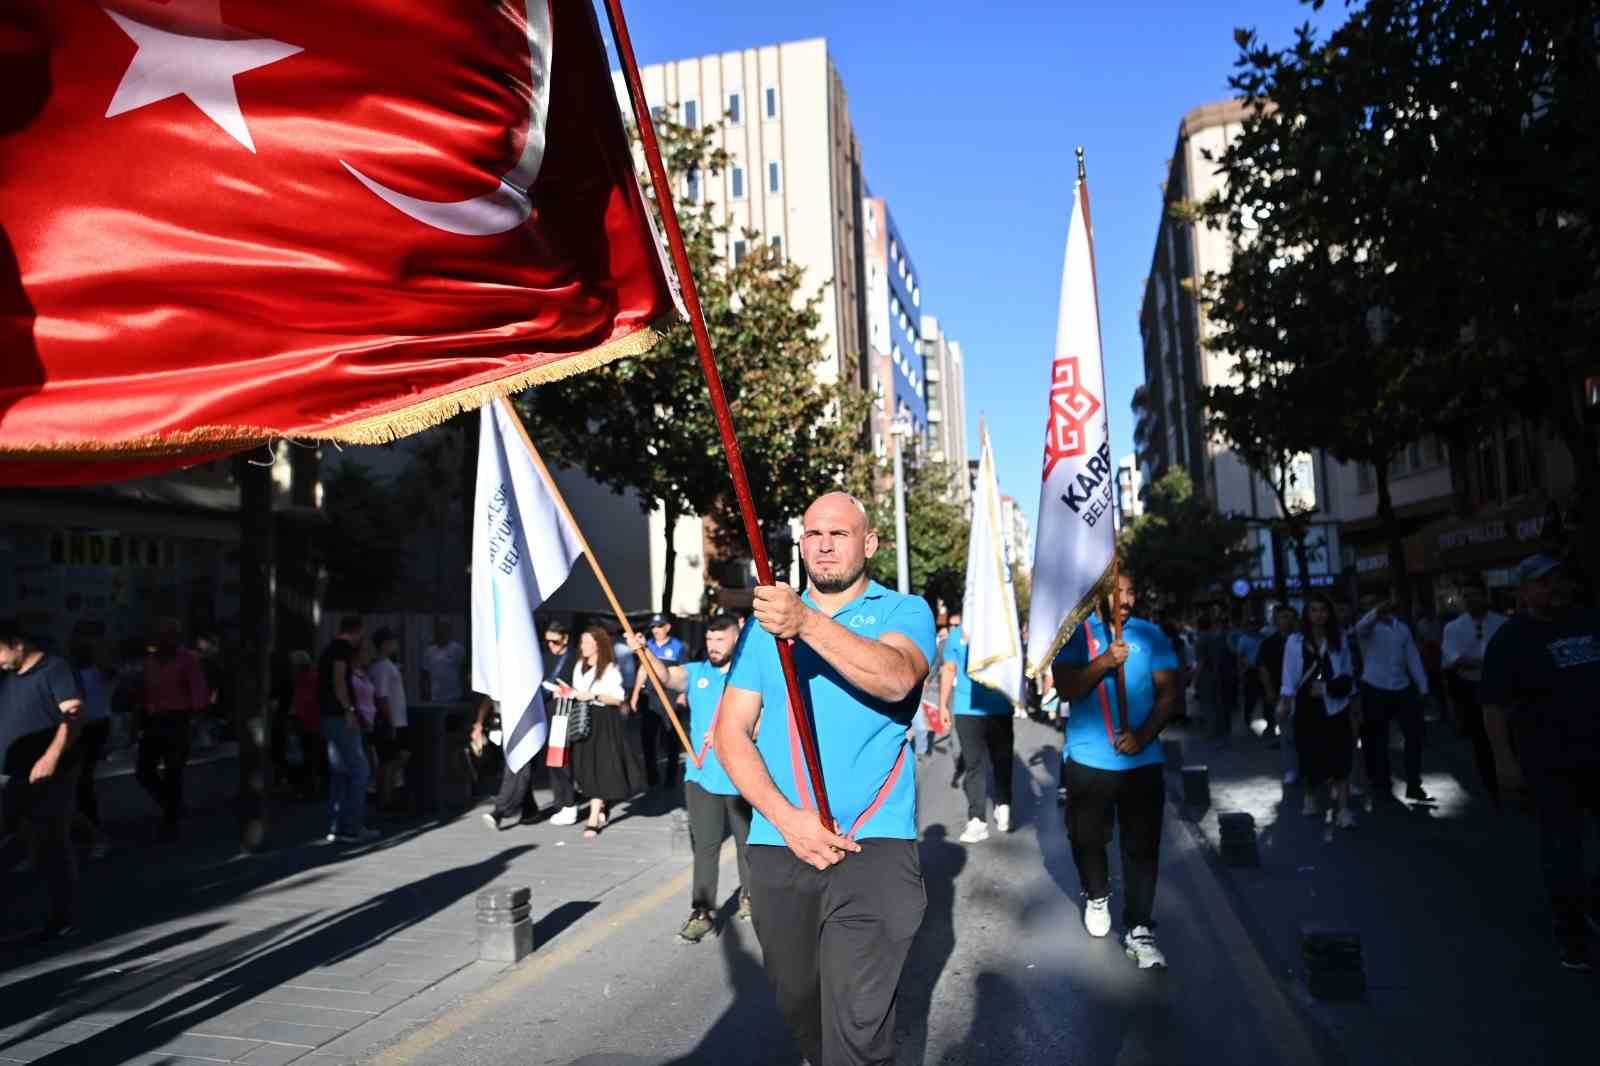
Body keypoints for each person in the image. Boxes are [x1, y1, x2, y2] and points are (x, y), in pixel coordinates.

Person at [714, 492, 935, 1066]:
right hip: (779, 842)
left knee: (859, 1026)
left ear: (870, 544)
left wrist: (806, 622)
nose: (825, 544)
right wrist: (788, 820)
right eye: (813, 534)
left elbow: (895, 679)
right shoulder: (764, 629)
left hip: (874, 844)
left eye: (839, 533)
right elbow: (731, 733)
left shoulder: (902, 611)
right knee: (800, 1002)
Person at [1053, 573, 1179, 970]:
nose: (1125, 598)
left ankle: (1140, 926)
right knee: (1088, 837)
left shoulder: (1150, 634)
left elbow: (1170, 692)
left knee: (1142, 847)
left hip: (1142, 761)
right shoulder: (1076, 634)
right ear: (1099, 597)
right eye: (1117, 591)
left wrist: (1142, 736)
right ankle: (1097, 892)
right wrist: (1106, 661)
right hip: (1090, 762)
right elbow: (1067, 686)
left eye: (1130, 590)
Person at [1481, 554, 1600, 972]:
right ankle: (1572, 933)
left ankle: (1590, 901)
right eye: (1544, 583)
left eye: (1558, 581)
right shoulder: (1510, 639)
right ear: (1525, 590)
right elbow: (1493, 707)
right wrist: (1504, 762)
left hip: (1595, 751)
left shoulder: (1587, 622)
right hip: (1549, 761)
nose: (1554, 590)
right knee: (1562, 847)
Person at [631, 614, 753, 943]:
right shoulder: (698, 672)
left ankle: (751, 896)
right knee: (706, 847)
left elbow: (765, 722)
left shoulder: (749, 677)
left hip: (744, 778)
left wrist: (734, 733)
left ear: (736, 637)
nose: (713, 647)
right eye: (710, 641)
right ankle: (702, 911)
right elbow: (668, 676)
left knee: (748, 845)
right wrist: (645, 652)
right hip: (701, 777)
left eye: (720, 640)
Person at [0, 619, 85, 941]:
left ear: (17, 643)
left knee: (52, 844)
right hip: (11, 774)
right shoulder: (7, 678)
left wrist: (50, 757)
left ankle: (62, 918)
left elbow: (73, 715)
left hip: (52, 776)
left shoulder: (55, 669)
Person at [1280, 594, 1359, 830]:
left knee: (1341, 754)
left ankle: (1344, 810)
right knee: (1309, 753)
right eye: (1314, 610)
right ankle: (1310, 796)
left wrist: (1350, 701)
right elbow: (1288, 675)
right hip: (1307, 706)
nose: (1319, 615)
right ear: (1307, 614)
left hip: (1336, 704)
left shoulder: (1339, 639)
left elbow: (1347, 673)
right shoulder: (1294, 641)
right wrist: (1285, 703)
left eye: (1323, 610)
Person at [564, 624, 645, 838]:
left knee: (600, 764)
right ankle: (602, 804)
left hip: (603, 719)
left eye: (588, 643)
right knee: (584, 765)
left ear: (599, 645)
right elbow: (577, 690)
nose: (584, 646)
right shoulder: (579, 665)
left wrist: (594, 696)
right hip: (581, 717)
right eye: (582, 642)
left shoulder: (609, 668)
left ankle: (593, 818)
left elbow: (618, 697)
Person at [941, 619, 1017, 843]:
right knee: (974, 764)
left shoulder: (1003, 631)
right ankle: (977, 820)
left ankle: (1004, 806)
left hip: (1000, 707)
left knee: (1002, 761)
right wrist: (943, 704)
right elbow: (949, 668)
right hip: (967, 708)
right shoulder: (956, 635)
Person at [1353, 594, 1431, 802]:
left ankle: (1414, 782)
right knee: (1378, 738)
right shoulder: (1367, 629)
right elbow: (1360, 626)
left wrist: (1423, 686)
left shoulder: (1402, 628)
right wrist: (1375, 611)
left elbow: (1412, 657)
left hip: (1402, 687)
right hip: (1374, 687)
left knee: (1414, 736)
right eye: (1369, 606)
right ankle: (1381, 781)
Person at [138, 618, 208, 840]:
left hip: (178, 720)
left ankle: (171, 822)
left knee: (173, 772)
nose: (161, 640)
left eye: (167, 636)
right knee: (144, 770)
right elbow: (145, 691)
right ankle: (174, 807)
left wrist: (196, 720)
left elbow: (198, 690)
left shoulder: (188, 659)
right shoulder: (149, 661)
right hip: (154, 720)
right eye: (158, 636)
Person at [1442, 580, 1508, 804]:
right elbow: (1453, 658)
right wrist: (1471, 662)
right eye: (1467, 596)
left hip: (1501, 684)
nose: (1471, 600)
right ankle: (1492, 785)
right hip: (1471, 687)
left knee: (1508, 731)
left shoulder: (1502, 623)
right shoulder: (1454, 627)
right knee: (1481, 737)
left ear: (1485, 596)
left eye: (1475, 595)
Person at [319, 615, 378, 843]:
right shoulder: (342, 650)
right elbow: (339, 681)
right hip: (341, 716)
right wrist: (349, 709)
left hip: (329, 716)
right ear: (357, 631)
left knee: (340, 772)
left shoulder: (328, 649)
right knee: (360, 771)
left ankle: (337, 826)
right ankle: (353, 826)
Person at [632, 613, 687, 790]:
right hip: (651, 696)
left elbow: (685, 671)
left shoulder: (679, 647)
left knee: (671, 739)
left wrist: (682, 695)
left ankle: (670, 777)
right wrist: (634, 694)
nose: (656, 630)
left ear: (667, 627)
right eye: (654, 627)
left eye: (659, 626)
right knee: (647, 738)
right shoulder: (648, 646)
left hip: (670, 696)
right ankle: (652, 777)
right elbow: (642, 670)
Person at [69, 639, 112, 859]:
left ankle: (92, 830)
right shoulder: (75, 673)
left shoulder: (97, 670)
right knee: (80, 781)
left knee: (83, 780)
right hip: (85, 727)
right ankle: (87, 829)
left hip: (93, 727)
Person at [368, 628, 409, 809]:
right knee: (389, 761)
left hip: (397, 719)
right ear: (385, 644)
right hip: (392, 720)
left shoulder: (385, 665)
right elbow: (382, 696)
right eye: (393, 642)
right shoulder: (383, 667)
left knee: (395, 758)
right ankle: (385, 798)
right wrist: (390, 722)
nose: (395, 646)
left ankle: (386, 793)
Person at [1257, 605, 1299, 779]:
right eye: (1283, 617)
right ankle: (1290, 768)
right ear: (1276, 620)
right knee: (1286, 733)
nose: (1286, 621)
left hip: (1302, 692)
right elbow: (1263, 668)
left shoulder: (1301, 640)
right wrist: (1269, 690)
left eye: (1290, 617)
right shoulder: (1269, 643)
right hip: (1281, 693)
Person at [420, 620, 466, 704]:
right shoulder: (429, 651)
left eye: (444, 631)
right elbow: (425, 673)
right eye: (440, 632)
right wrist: (425, 691)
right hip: (435, 695)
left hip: (454, 694)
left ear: (449, 633)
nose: (442, 634)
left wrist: (465, 691)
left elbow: (463, 670)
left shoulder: (458, 649)